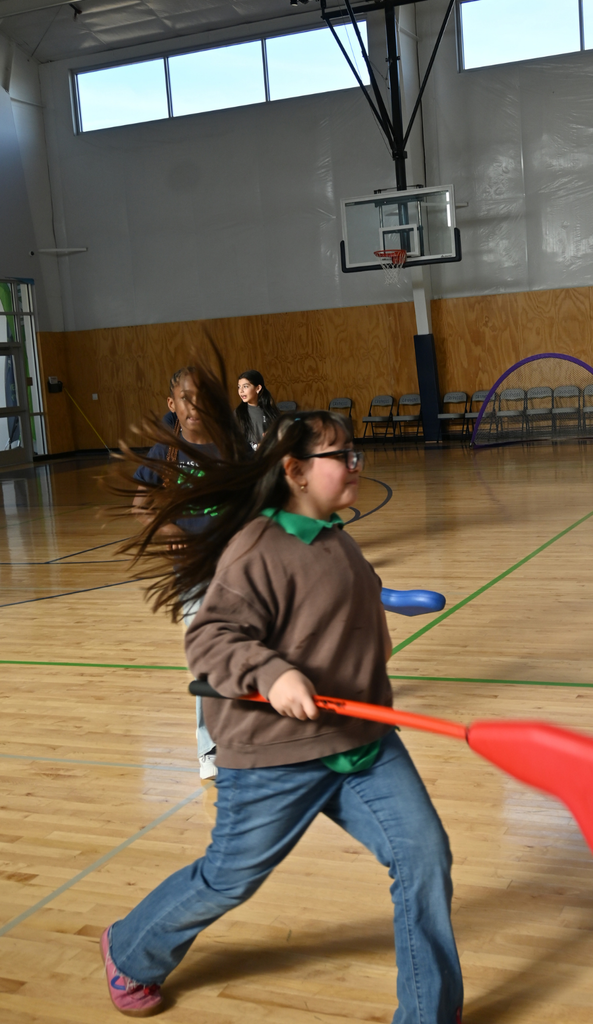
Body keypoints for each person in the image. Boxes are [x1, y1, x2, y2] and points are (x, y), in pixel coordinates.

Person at [104, 377, 463, 1022]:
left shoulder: (333, 536)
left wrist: (385, 602)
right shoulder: (257, 549)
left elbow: (334, 604)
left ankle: (427, 1014)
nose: (355, 465)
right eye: (341, 456)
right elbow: (211, 640)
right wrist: (271, 674)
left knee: (424, 857)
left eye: (355, 454)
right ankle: (129, 949)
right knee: (229, 879)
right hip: (275, 754)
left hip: (362, 745)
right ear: (296, 471)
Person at [132, 367, 221, 781]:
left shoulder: (232, 449)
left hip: (239, 569)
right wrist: (169, 529)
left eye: (201, 397)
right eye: (185, 398)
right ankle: (210, 747)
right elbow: (140, 507)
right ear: (173, 405)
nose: (193, 405)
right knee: (206, 656)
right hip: (193, 575)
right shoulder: (164, 453)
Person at [235, 368, 278, 450]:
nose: (241, 391)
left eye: (245, 386)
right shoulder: (238, 414)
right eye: (239, 387)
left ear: (258, 388)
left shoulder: (271, 411)